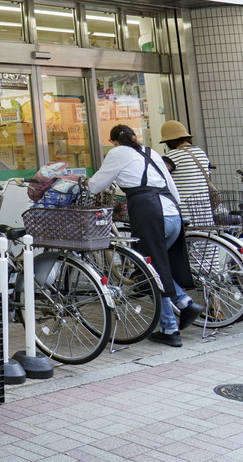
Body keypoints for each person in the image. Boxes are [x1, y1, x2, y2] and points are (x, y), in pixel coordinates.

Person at [87, 124, 200, 347]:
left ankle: (171, 326)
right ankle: (184, 302)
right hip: (172, 212)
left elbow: (96, 185)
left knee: (151, 269)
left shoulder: (117, 153)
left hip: (150, 212)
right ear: (134, 137)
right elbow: (171, 186)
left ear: (113, 141)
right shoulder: (150, 152)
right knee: (157, 266)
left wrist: (85, 182)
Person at [159, 120, 215, 225]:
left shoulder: (173, 156)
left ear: (169, 141)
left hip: (184, 211)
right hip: (204, 210)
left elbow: (158, 177)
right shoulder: (201, 152)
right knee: (205, 239)